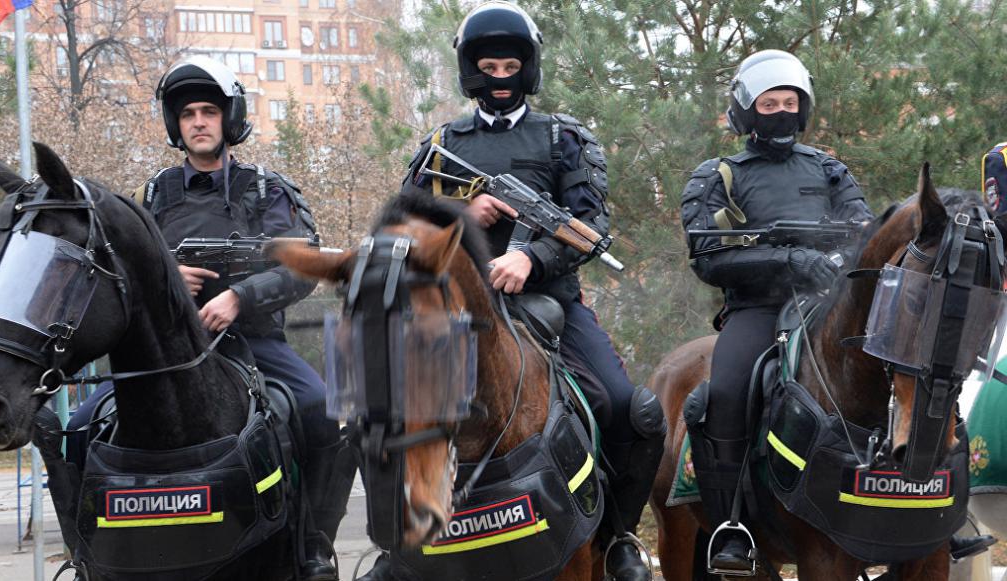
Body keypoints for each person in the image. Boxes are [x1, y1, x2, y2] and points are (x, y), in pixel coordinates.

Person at [357, 3, 667, 581]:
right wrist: (459, 212)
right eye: (489, 66)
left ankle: (617, 535)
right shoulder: (440, 144)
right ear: (472, 71)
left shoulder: (564, 138)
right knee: (380, 414)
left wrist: (530, 256)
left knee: (628, 408)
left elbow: (589, 227)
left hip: (547, 303)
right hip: (449, 312)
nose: (499, 76)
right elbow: (399, 228)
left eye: (509, 65)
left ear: (527, 69)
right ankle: (396, 549)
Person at [66, 56, 351, 581]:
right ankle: (84, 550)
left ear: (229, 118)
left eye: (209, 111)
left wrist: (238, 298)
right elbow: (125, 268)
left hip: (252, 341)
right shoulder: (154, 194)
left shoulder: (267, 190)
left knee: (318, 409)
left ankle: (311, 547)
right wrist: (169, 276)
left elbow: (301, 266)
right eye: (188, 113)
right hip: (166, 351)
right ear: (176, 124)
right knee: (77, 426)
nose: (198, 121)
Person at [681, 49, 874, 572]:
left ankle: (940, 515)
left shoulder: (831, 169)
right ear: (747, 110)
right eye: (770, 103)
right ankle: (732, 526)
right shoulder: (717, 174)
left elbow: (865, 233)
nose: (782, 111)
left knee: (905, 366)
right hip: (758, 310)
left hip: (834, 307)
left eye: (791, 102)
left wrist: (834, 258)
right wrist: (792, 259)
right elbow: (708, 256)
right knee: (722, 394)